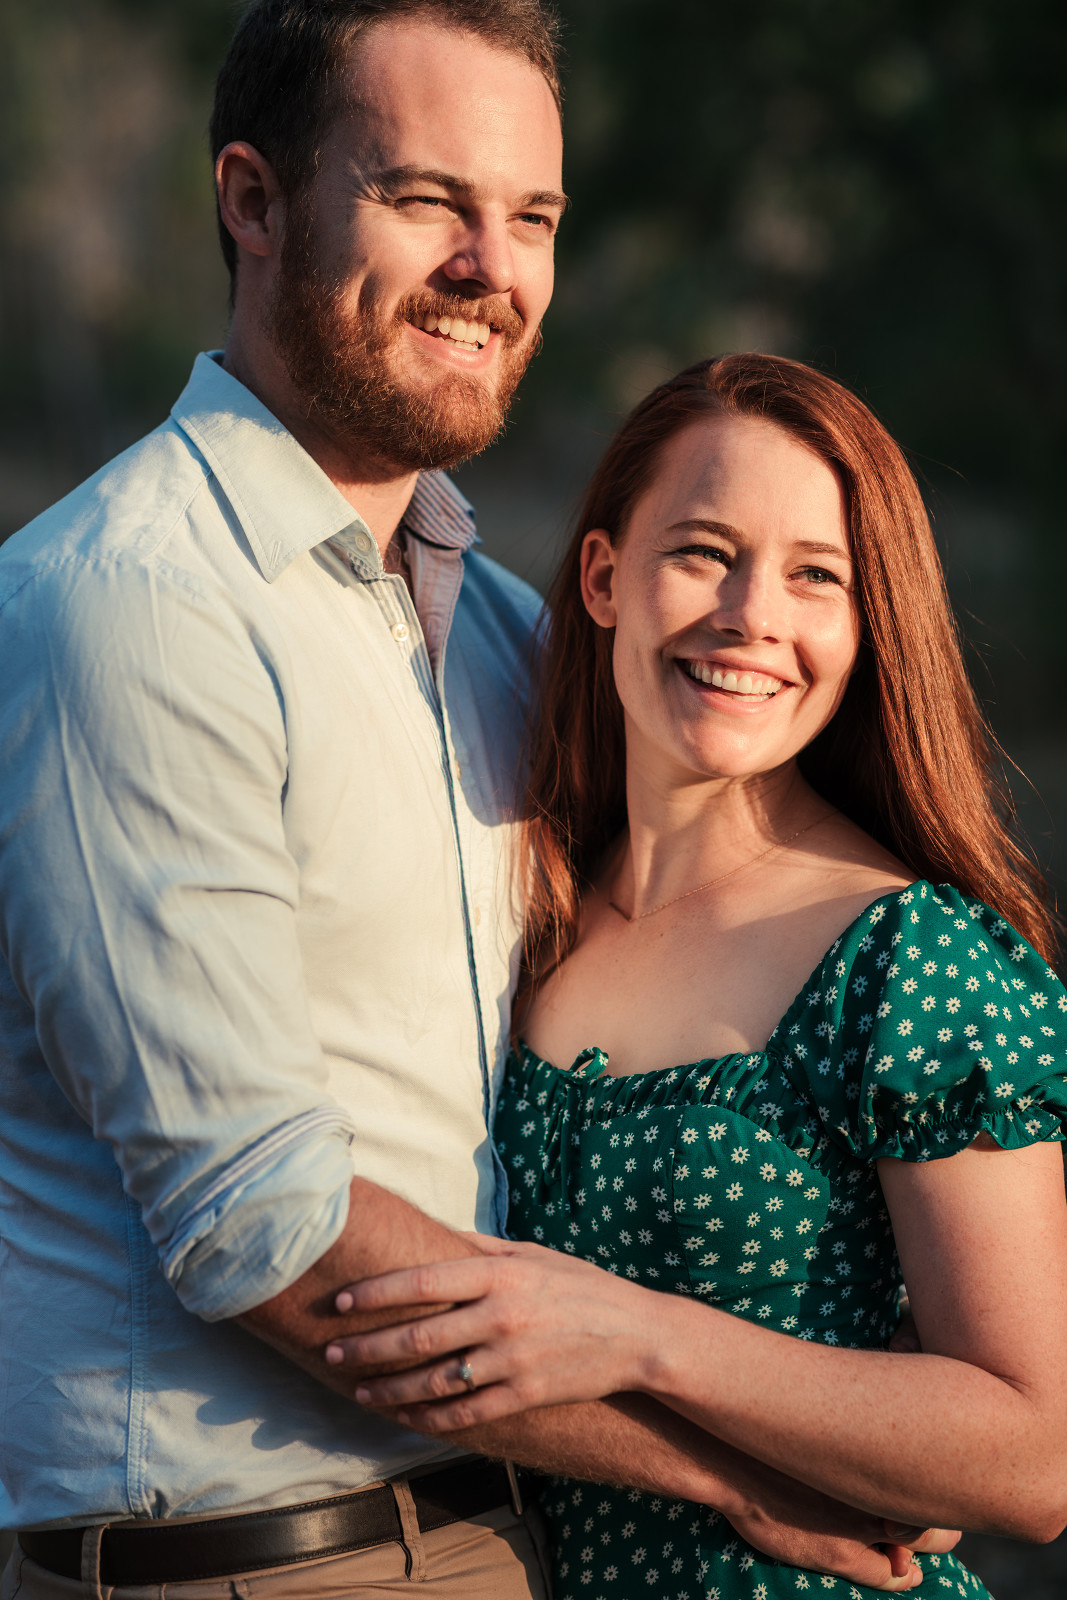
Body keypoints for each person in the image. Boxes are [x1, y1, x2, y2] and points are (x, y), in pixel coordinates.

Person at [0, 4, 954, 1597]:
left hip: (517, 1533)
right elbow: (264, 1226)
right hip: (254, 1561)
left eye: (532, 218)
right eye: (427, 200)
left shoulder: (509, 638)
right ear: (252, 200)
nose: (489, 269)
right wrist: (732, 1472)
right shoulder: (137, 606)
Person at [328, 353, 1067, 1600]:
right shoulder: (523, 902)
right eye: (704, 552)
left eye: (815, 575)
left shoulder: (906, 956)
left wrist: (642, 1334)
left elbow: (1032, 1454)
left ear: (864, 626)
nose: (749, 615)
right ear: (603, 577)